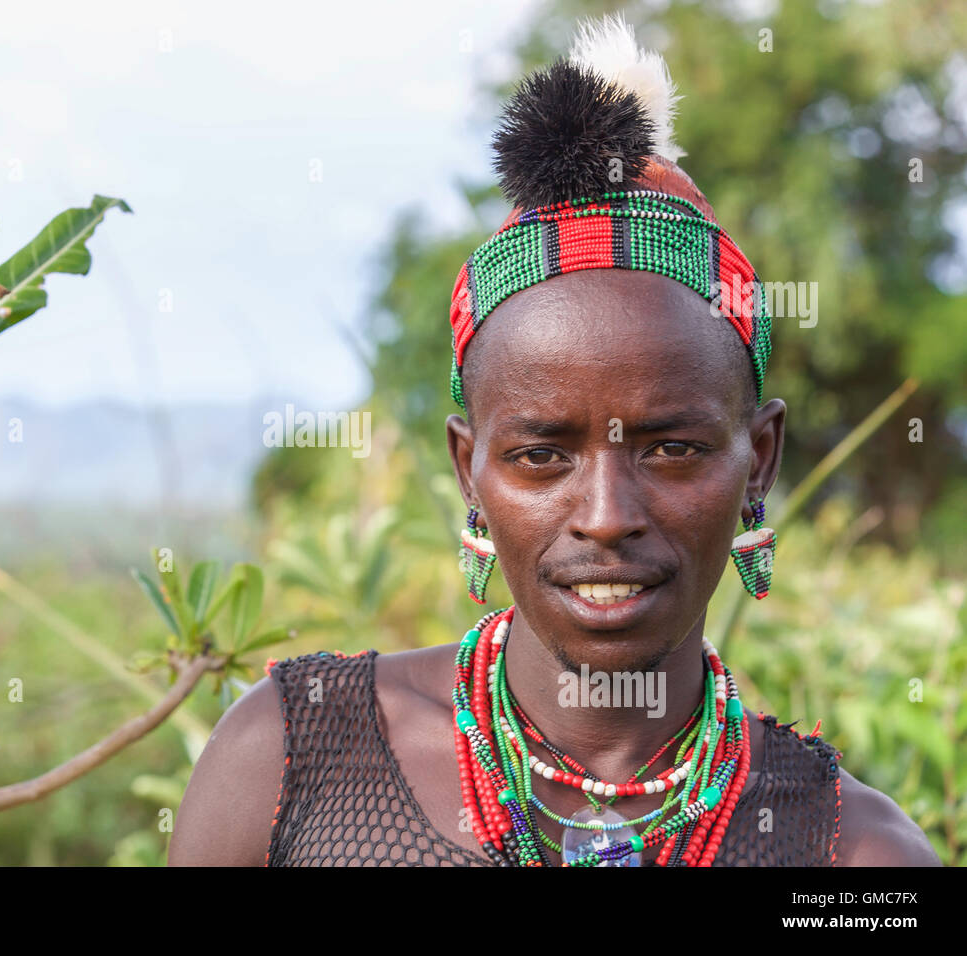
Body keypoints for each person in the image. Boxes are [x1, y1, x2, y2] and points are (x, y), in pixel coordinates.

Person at [168, 14, 940, 867]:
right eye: (542, 456)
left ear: (758, 458)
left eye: (669, 448)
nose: (606, 519)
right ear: (470, 468)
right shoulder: (289, 758)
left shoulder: (854, 857)